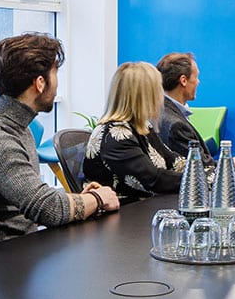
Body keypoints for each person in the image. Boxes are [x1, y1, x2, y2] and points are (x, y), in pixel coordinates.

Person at [0, 33, 119, 245]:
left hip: (28, 250)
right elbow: (47, 209)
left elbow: (36, 197)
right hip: (10, 261)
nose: (57, 85)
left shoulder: (18, 129)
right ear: (40, 83)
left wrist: (81, 199)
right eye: (55, 74)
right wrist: (98, 200)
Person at [83, 61, 195, 198]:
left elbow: (173, 161)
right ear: (145, 96)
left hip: (142, 208)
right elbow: (154, 180)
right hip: (124, 214)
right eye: (158, 89)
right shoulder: (116, 135)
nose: (162, 97)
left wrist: (208, 172)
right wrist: (197, 180)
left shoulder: (141, 126)